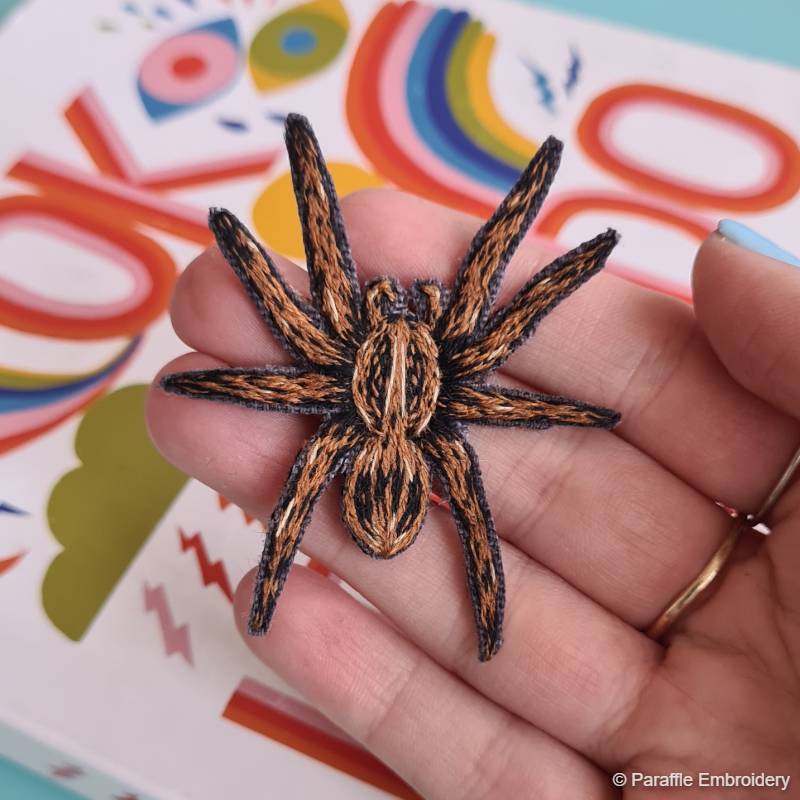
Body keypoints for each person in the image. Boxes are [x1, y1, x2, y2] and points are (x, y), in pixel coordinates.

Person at [146, 189, 800, 798]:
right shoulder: (443, 422)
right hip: (388, 467)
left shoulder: (340, 409)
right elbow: (508, 322)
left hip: (371, 459)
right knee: (460, 506)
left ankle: (450, 612)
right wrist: (572, 383)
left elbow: (297, 331)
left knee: (375, 487)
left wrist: (215, 364)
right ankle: (470, 614)